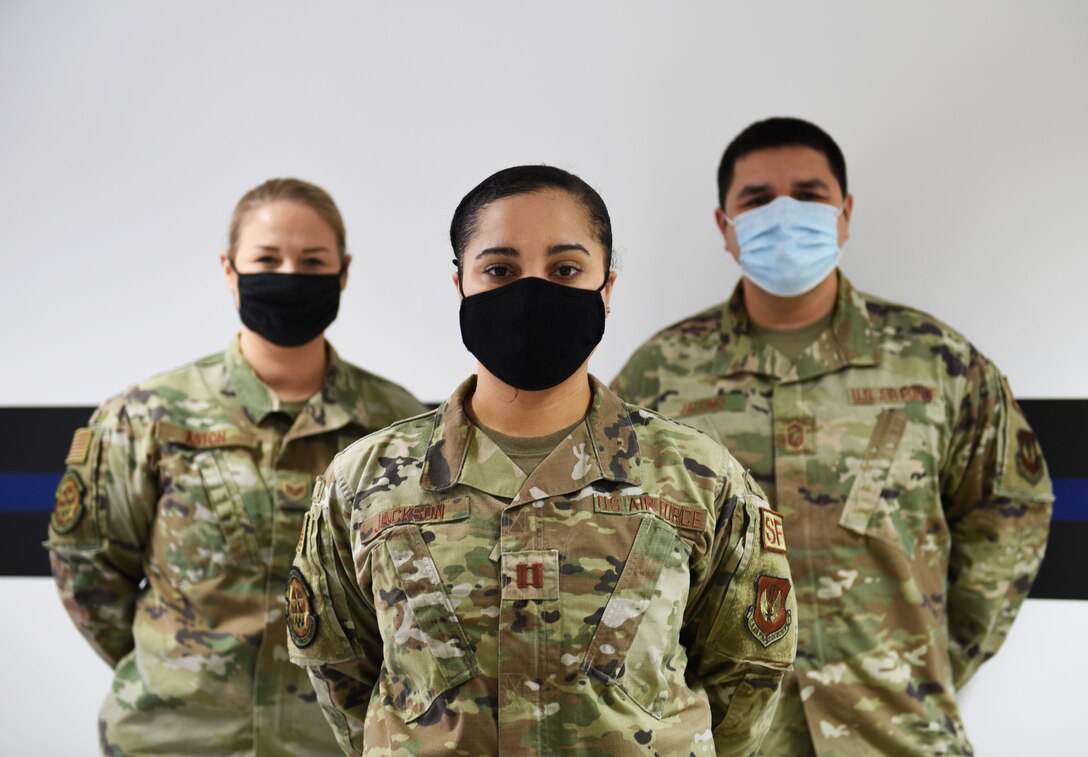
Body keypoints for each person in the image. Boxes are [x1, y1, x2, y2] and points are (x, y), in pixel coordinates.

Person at [287, 165, 796, 756]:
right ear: (461, 288)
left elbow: (746, 677)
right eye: (500, 270)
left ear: (606, 289)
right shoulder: (365, 483)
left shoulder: (700, 479)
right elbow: (341, 673)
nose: (532, 293)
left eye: (565, 270)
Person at [611, 117, 1054, 755]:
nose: (784, 215)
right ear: (725, 225)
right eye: (758, 200)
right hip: (729, 739)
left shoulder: (936, 363)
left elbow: (1011, 510)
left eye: (810, 195)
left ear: (844, 214)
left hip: (897, 729)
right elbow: (620, 544)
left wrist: (934, 661)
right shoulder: (660, 373)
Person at [46, 178, 427, 755]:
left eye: (313, 260)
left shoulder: (396, 424)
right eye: (267, 259)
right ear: (230, 269)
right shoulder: (149, 415)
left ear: (343, 272)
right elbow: (89, 570)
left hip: (327, 744)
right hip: (176, 739)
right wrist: (176, 668)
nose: (290, 275)